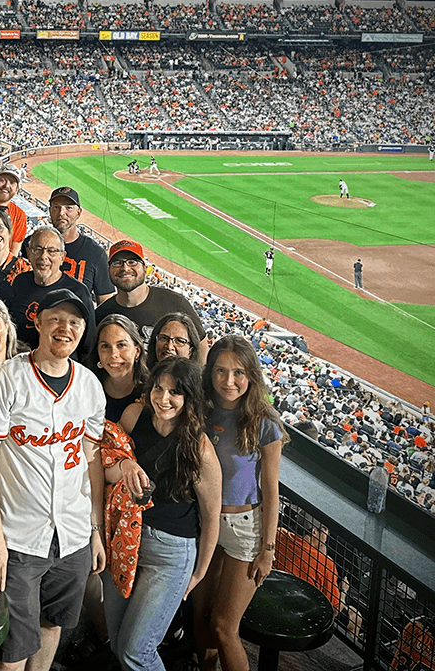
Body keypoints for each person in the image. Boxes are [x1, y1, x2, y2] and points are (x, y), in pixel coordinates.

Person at [0, 288, 107, 671]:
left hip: (74, 535)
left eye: (75, 322)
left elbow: (92, 460)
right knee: (12, 647)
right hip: (18, 539)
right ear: (38, 323)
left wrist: (95, 528)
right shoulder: (5, 379)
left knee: (52, 625)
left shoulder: (89, 386)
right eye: (56, 319)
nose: (65, 328)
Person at [101, 357, 222, 671]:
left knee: (135, 652)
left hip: (171, 552)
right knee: (117, 643)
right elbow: (107, 466)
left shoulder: (200, 448)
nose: (163, 398)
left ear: (189, 398)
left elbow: (211, 516)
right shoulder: (134, 414)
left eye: (174, 393)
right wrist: (124, 465)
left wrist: (199, 572)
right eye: (158, 388)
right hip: (124, 540)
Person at [192, 335, 285, 671]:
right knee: (200, 617)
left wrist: (268, 549)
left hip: (245, 529)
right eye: (220, 371)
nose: (228, 381)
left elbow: (271, 490)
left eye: (238, 373)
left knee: (224, 627)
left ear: (251, 376)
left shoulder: (265, 422)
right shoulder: (199, 409)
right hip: (205, 523)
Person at [96, 239, 207, 362]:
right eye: (117, 263)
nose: (125, 267)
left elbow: (201, 348)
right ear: (108, 270)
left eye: (132, 262)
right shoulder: (101, 315)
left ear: (144, 268)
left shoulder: (176, 303)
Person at [6, 225, 96, 360]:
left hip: (61, 368)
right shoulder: (20, 282)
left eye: (52, 251)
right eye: (38, 249)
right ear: (29, 253)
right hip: (21, 364)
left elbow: (88, 343)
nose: (44, 256)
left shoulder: (78, 291)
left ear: (62, 257)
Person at [23, 186, 114, 304]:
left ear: (79, 213)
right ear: (50, 210)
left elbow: (105, 303)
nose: (61, 213)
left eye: (68, 208)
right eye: (56, 207)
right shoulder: (32, 243)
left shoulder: (96, 253)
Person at [0, 165, 27, 256]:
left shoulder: (20, 215)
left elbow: (14, 252)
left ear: (17, 189)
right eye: (2, 180)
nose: (6, 185)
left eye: (12, 183)